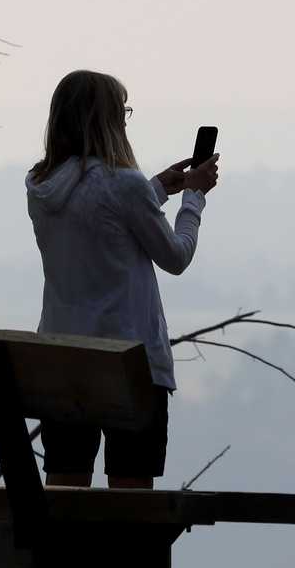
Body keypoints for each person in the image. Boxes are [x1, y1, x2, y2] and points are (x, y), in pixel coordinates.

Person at [26, 70, 218, 488]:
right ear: (106, 119)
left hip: (62, 359)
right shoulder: (124, 184)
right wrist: (194, 198)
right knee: (130, 504)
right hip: (130, 363)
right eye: (122, 111)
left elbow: (95, 218)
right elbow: (176, 256)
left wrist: (153, 191)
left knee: (65, 494)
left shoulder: (41, 186)